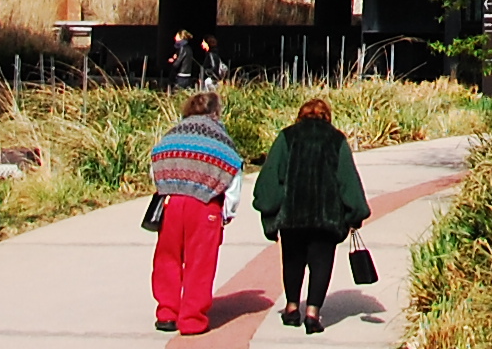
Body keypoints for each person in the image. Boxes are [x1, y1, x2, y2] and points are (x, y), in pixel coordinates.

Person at [255, 95, 369, 335]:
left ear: (300, 116)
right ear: (328, 118)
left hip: (292, 215)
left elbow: (271, 176)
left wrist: (269, 209)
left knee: (292, 261)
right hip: (325, 216)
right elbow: (346, 178)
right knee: (321, 264)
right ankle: (313, 313)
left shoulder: (287, 137)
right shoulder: (336, 139)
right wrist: (355, 211)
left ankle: (292, 307)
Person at [147, 90, 243, 334]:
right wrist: (227, 212)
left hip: (171, 201)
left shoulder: (172, 135)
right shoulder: (221, 139)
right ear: (216, 112)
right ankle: (191, 319)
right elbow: (233, 175)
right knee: (200, 263)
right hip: (205, 204)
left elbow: (156, 161)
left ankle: (167, 312)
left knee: (167, 258)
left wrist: (168, 185)